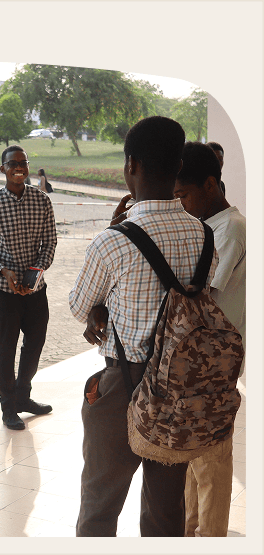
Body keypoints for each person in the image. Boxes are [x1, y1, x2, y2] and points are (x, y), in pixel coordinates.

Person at [69, 116, 217, 537]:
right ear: (177, 167)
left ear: (131, 165)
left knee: (99, 506)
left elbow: (79, 306)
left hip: (124, 384)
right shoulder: (205, 236)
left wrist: (101, 308)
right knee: (165, 512)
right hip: (180, 388)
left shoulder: (114, 240)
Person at [173, 141, 246, 537]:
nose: (181, 204)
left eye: (184, 195)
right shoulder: (208, 227)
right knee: (193, 457)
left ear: (210, 185)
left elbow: (202, 300)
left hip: (215, 363)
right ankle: (190, 533)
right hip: (200, 361)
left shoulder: (230, 230)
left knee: (212, 463)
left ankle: (211, 536)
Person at [0, 145, 57, 431]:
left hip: (35, 289)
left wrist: (35, 275)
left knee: (35, 343)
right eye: (12, 163)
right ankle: (8, 407)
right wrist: (5, 272)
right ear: (2, 168)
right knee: (7, 347)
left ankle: (22, 396)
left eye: (23, 162)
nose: (18, 167)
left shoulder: (42, 201)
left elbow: (49, 242)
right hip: (4, 289)